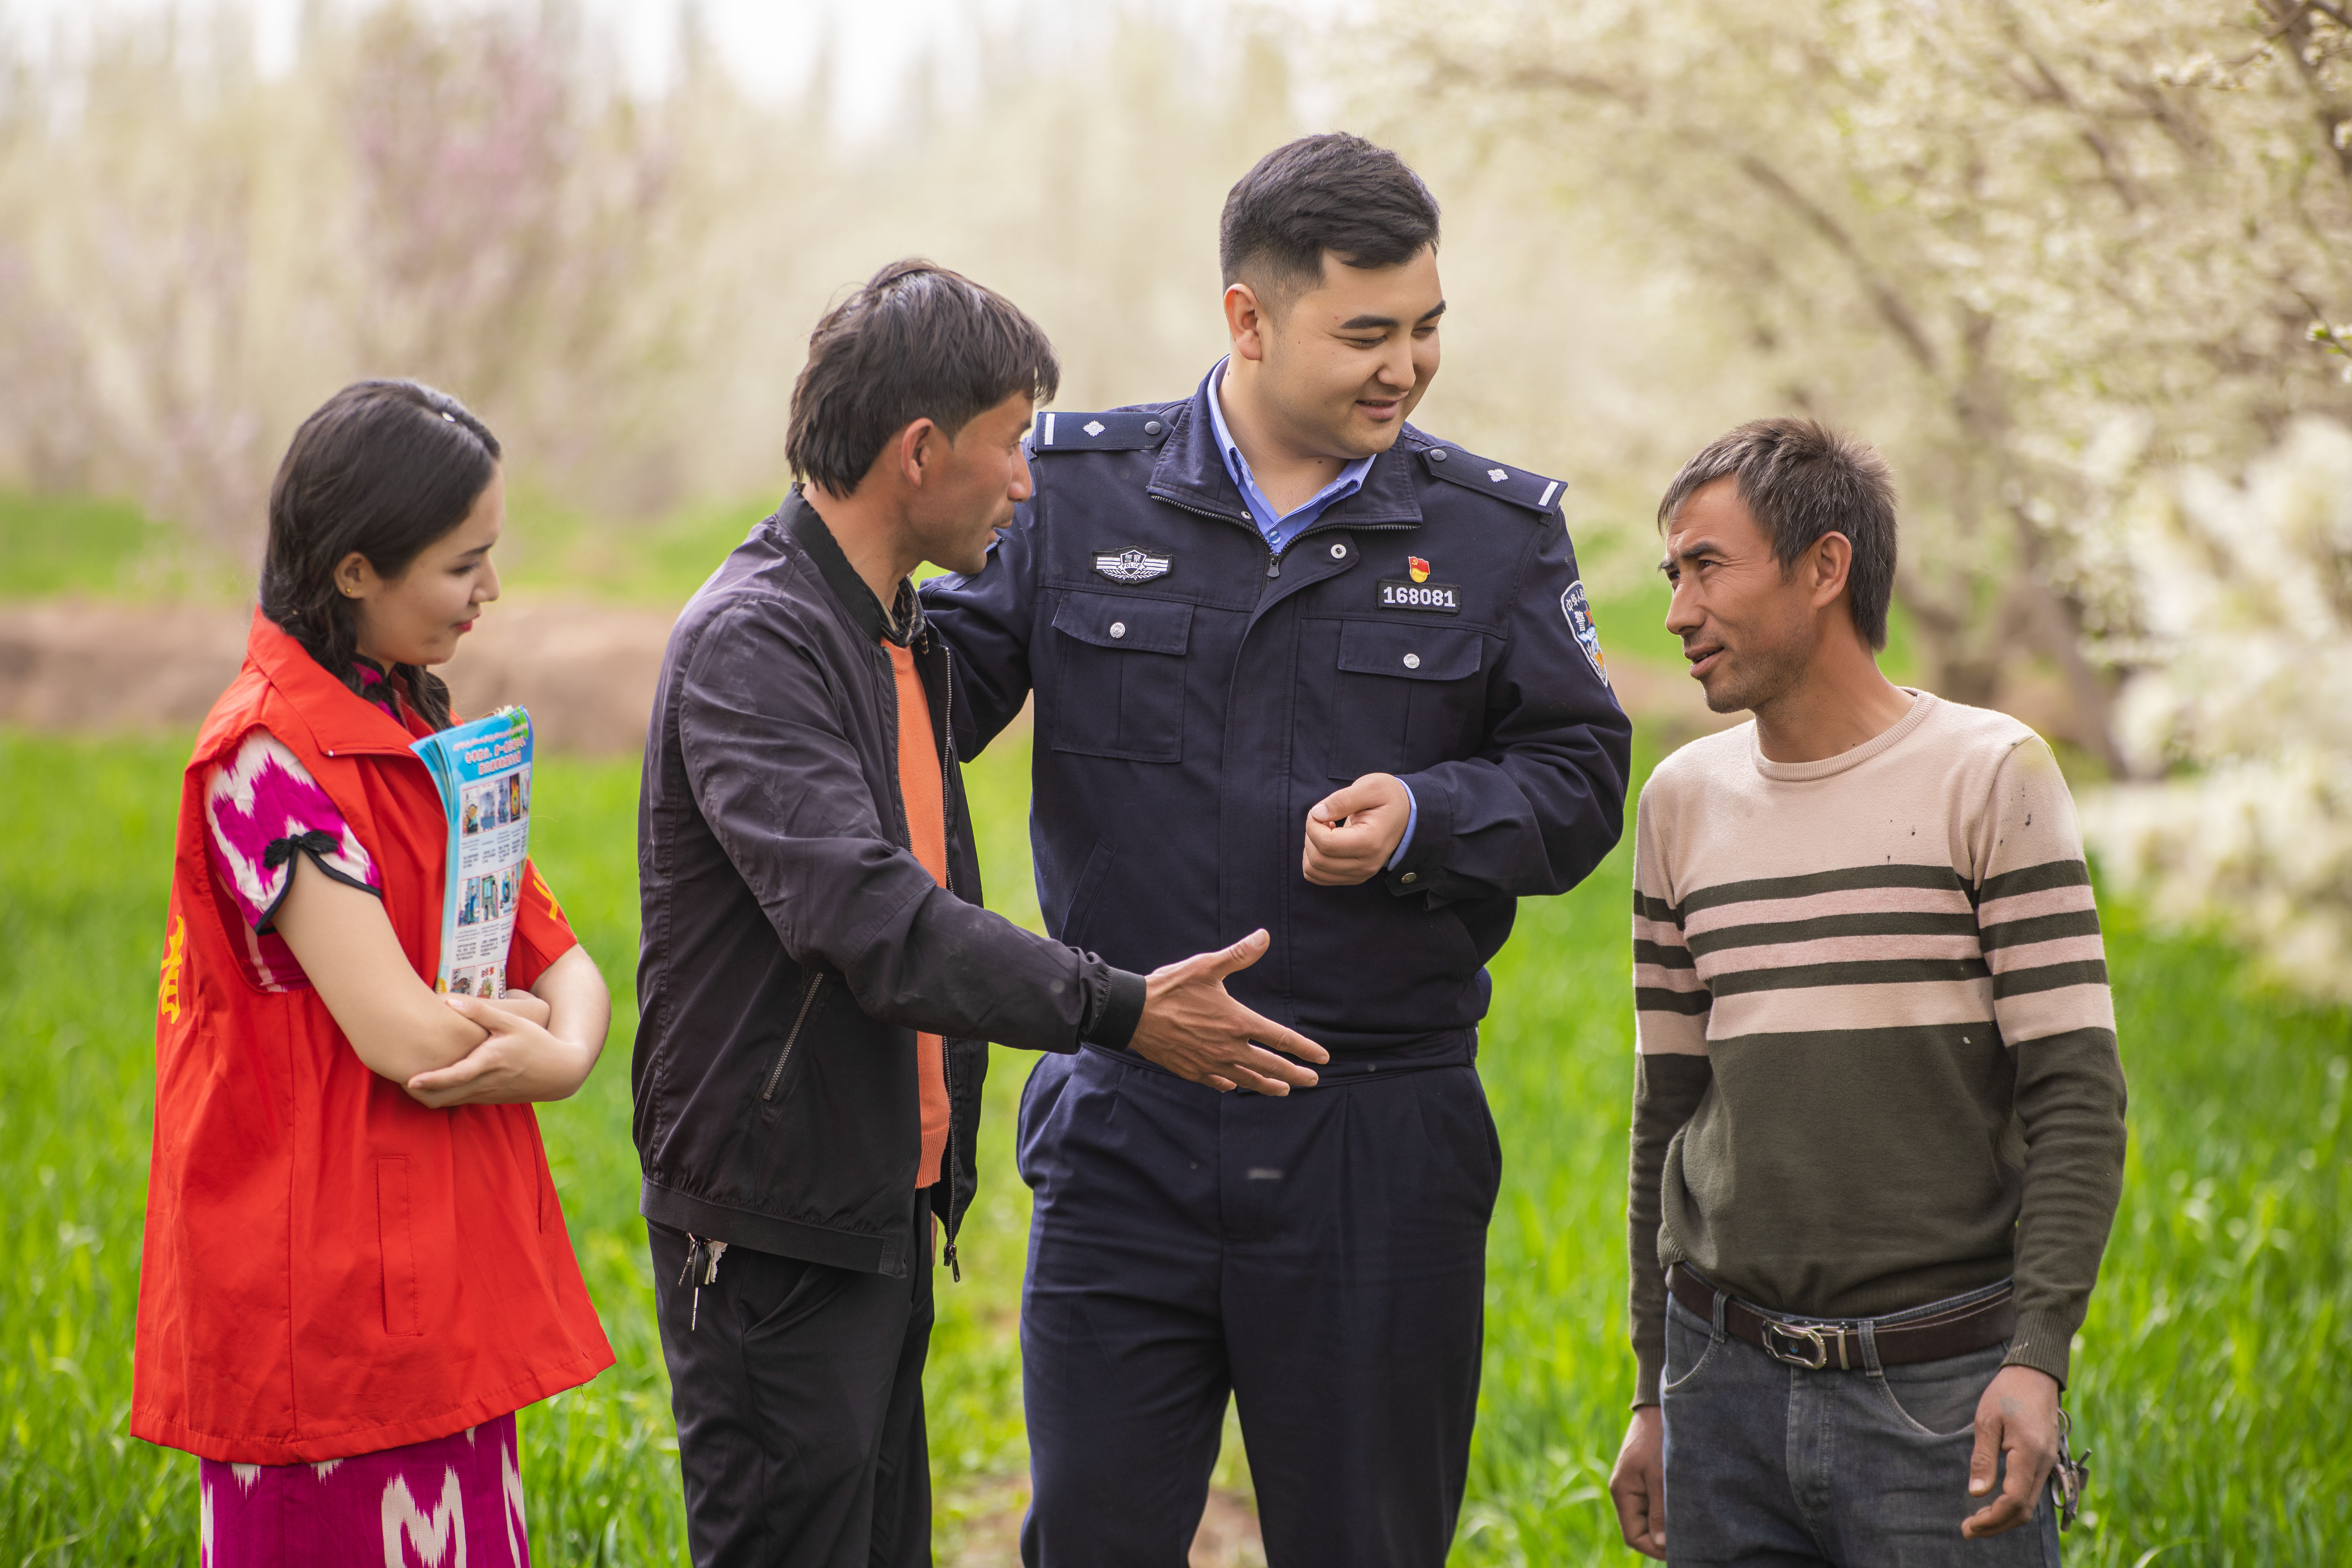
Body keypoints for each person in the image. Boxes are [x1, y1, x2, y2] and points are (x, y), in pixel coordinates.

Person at [920, 134, 1632, 1567]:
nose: (1407, 366)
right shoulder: (1073, 495)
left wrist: (1429, 818)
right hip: (1127, 1124)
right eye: (1366, 334)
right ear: (1247, 318)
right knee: (1093, 1543)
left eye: (1427, 327)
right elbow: (914, 705)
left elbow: (1581, 778)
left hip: (1377, 1140)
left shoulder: (1493, 535)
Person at [632, 259, 1330, 1568]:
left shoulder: (897, 633)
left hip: (874, 1214)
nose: (1026, 482)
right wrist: (1123, 1009)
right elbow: (871, 917)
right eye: (1011, 444)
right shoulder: (757, 641)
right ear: (918, 452)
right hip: (773, 1235)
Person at [1604, 419, 2128, 1564]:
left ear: (1825, 567)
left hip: (1942, 1400)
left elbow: (2077, 1094)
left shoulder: (1990, 774)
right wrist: (1653, 1388)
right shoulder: (1679, 803)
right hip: (1718, 1392)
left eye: (1707, 567)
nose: (1678, 611)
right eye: (1673, 574)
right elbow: (1666, 1115)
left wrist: (2038, 1358)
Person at [133, 379, 617, 1565]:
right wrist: (543, 1043)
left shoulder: (418, 731)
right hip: (321, 1293)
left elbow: (565, 962)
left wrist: (562, 1049)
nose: (490, 591)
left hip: (435, 1270)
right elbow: (402, 1034)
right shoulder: (261, 761)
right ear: (356, 571)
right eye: (464, 564)